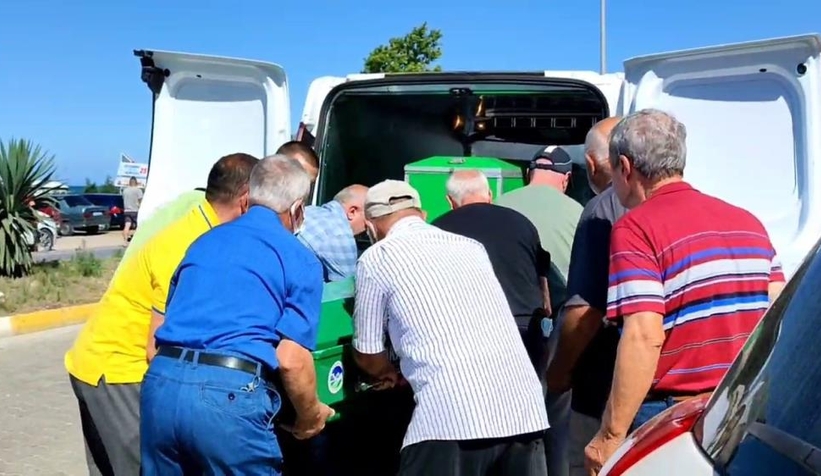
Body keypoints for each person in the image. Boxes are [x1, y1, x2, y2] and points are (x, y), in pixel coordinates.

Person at [583, 109, 787, 474]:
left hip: (672, 415)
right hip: (741, 409)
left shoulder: (636, 229)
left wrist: (610, 437)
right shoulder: (747, 222)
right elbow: (776, 313)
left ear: (625, 168)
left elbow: (644, 336)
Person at [64, 153, 259, 476]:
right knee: (143, 468)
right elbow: (158, 345)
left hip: (101, 365)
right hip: (117, 372)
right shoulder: (190, 244)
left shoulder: (199, 222)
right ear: (245, 200)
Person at [141, 155, 334, 475]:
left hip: (162, 386)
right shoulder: (299, 259)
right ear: (299, 208)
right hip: (230, 396)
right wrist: (310, 416)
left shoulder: (202, 243)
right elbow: (291, 360)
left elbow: (162, 324)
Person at [353, 179, 549, 476]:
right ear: (421, 213)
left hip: (450, 414)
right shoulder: (470, 247)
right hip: (522, 407)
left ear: (370, 226)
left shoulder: (377, 257)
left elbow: (367, 352)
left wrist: (388, 374)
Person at [544, 117, 624, 476]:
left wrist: (559, 373)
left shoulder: (598, 210)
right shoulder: (682, 208)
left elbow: (586, 310)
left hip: (602, 385)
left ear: (591, 165)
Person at [432, 169, 552, 376]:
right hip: (523, 325)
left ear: (450, 201)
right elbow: (543, 282)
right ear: (489, 194)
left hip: (467, 330)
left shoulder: (437, 230)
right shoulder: (522, 223)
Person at [495, 145, 583, 307]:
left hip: (506, 302)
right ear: (566, 178)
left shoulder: (499, 203)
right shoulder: (578, 212)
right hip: (558, 306)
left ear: (529, 174)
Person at [297, 184, 368, 282]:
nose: (369, 225)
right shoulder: (339, 235)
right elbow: (347, 290)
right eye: (370, 217)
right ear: (352, 212)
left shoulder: (309, 211)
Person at [121, 176, 143, 246]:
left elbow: (123, 199)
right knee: (139, 226)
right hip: (135, 211)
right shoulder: (138, 190)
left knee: (127, 226)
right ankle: (137, 241)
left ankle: (125, 242)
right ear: (136, 182)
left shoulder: (125, 190)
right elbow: (140, 201)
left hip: (127, 211)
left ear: (129, 182)